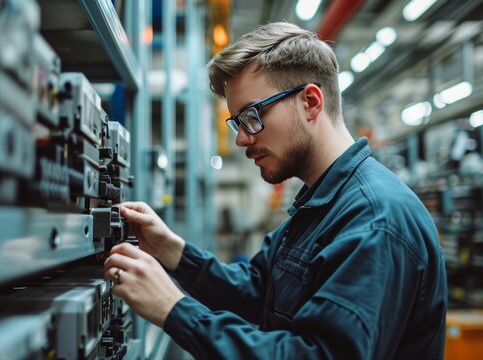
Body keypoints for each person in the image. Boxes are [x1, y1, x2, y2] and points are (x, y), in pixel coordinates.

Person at [104, 22, 447, 359]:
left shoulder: (374, 220)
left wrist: (173, 308)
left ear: (310, 102)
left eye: (252, 115)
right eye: (238, 122)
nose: (241, 138)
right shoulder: (321, 204)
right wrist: (171, 250)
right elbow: (256, 289)